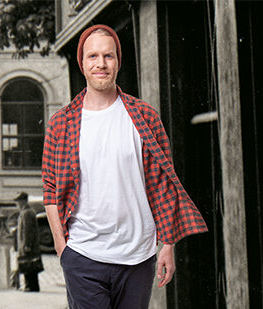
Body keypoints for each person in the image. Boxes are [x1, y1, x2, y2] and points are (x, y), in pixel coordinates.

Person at [43, 24, 208, 309]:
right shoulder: (61, 123)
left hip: (138, 257)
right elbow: (50, 188)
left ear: (118, 61)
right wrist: (62, 248)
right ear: (82, 63)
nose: (101, 64)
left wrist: (167, 245)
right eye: (93, 56)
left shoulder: (144, 116)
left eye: (108, 56)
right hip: (83, 254)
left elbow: (162, 184)